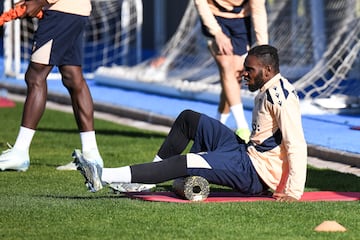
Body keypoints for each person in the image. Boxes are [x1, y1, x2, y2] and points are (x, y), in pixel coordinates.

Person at [74, 45, 307, 202]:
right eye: (245, 68)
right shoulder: (269, 88)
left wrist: (293, 192)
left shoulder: (281, 98)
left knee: (189, 161)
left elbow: (296, 144)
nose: (244, 73)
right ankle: (144, 182)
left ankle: (103, 175)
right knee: (189, 119)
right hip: (246, 153)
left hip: (254, 173)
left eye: (250, 70)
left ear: (267, 71)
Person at [0, 0, 103, 171]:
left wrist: (40, 1)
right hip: (75, 11)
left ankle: (20, 152)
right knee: (72, 77)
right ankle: (91, 155)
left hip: (60, 12)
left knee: (35, 76)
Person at [194, 0, 268, 142]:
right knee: (227, 65)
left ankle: (216, 129)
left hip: (240, 20)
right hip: (213, 16)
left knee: (235, 77)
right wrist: (217, 33)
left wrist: (263, 50)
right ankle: (243, 129)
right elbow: (200, 2)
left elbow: (258, 11)